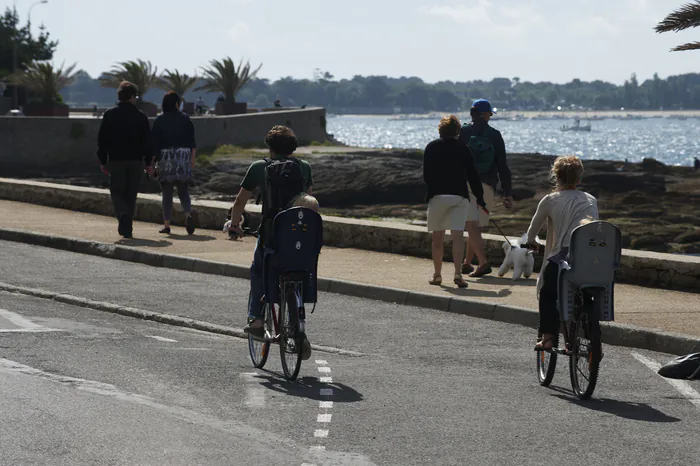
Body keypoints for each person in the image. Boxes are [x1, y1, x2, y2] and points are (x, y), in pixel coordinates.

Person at [227, 126, 314, 343]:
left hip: (271, 234)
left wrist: (235, 225)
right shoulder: (304, 167)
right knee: (297, 272)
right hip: (299, 236)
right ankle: (297, 325)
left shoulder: (259, 167)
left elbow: (239, 202)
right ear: (292, 146)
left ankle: (256, 319)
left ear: (270, 147)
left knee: (258, 271)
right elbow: (307, 202)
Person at [524, 155, 599, 350]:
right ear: (579, 179)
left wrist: (533, 243)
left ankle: (548, 337)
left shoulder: (550, 200)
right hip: (589, 259)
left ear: (556, 178)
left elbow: (531, 233)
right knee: (583, 292)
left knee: (548, 293)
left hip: (561, 259)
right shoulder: (590, 200)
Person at [423, 115, 485, 288]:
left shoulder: (431, 147)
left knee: (437, 238)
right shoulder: (463, 148)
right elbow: (473, 175)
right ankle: (458, 274)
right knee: (457, 236)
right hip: (459, 196)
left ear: (440, 130)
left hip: (437, 196)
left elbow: (426, 176)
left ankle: (437, 275)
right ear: (457, 131)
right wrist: (479, 197)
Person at [458, 99, 513, 278]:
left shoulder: (463, 132)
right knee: (475, 225)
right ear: (484, 114)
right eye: (489, 113)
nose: (490, 116)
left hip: (466, 184)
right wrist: (507, 192)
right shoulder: (495, 135)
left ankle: (482, 263)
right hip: (488, 185)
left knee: (470, 224)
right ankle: (467, 263)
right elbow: (503, 166)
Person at [97, 81, 152, 238]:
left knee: (117, 192)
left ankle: (123, 214)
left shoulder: (110, 114)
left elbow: (102, 140)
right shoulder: (141, 116)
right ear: (133, 97)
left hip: (116, 160)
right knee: (131, 193)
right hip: (135, 160)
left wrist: (102, 160)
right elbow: (147, 142)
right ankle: (127, 226)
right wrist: (148, 163)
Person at [150, 91, 197, 235]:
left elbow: (155, 144)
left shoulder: (159, 120)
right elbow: (192, 142)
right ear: (177, 104)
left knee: (167, 192)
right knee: (183, 190)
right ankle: (188, 214)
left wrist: (152, 163)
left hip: (166, 157)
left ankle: (167, 225)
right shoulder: (185, 119)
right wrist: (192, 159)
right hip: (183, 156)